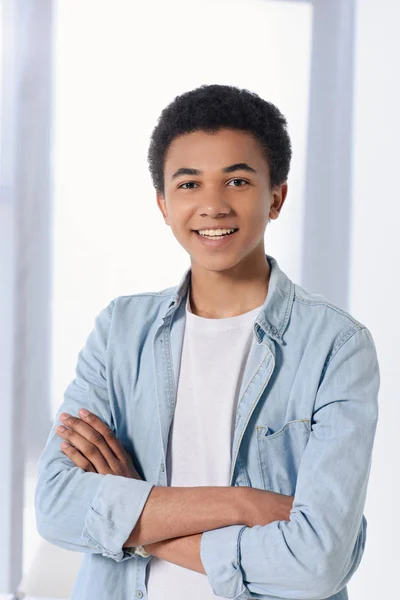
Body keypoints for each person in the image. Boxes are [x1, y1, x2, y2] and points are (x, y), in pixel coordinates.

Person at [35, 84, 380, 600]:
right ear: (163, 203)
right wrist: (242, 503)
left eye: (237, 180)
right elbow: (57, 505)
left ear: (276, 196)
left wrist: (136, 515)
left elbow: (317, 563)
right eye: (190, 184)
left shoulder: (336, 345)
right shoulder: (120, 330)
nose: (213, 205)